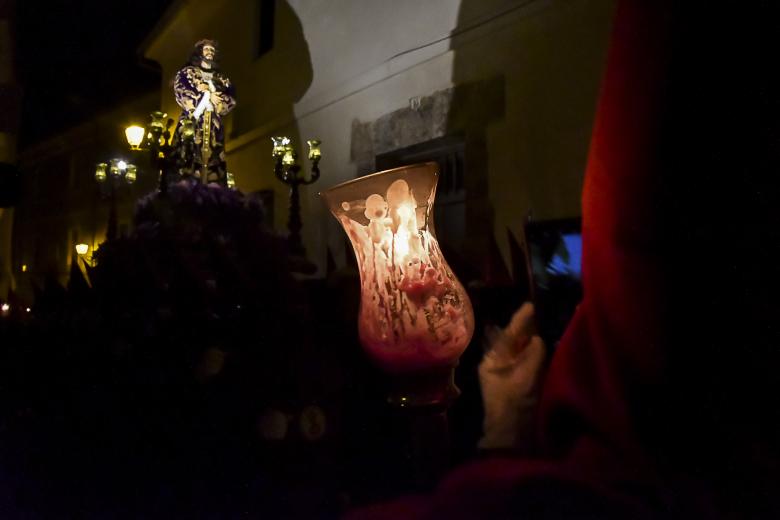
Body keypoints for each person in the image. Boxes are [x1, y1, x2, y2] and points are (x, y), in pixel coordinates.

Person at [172, 39, 236, 185]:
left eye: (212, 51)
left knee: (214, 158)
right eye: (207, 49)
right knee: (189, 154)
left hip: (214, 126)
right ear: (199, 52)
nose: (209, 53)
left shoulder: (221, 78)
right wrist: (206, 96)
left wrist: (218, 101)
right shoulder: (187, 72)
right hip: (193, 122)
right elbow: (182, 90)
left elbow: (231, 97)